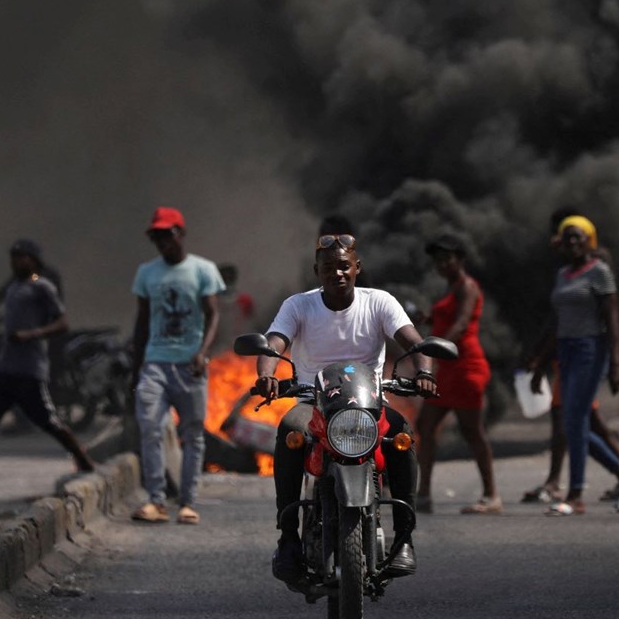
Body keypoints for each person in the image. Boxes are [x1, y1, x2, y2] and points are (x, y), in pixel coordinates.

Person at [255, 232, 435, 582]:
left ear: (357, 268)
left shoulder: (379, 302)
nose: (336, 274)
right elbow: (273, 345)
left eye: (343, 267)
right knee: (290, 431)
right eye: (327, 269)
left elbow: (412, 340)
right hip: (313, 403)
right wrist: (266, 375)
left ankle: (404, 539)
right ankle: (288, 537)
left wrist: (425, 371)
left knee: (401, 435)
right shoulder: (299, 305)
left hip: (368, 406)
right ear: (316, 271)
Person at [0, 239, 94, 503]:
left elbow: (62, 323)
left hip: (29, 370)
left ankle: (83, 459)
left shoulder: (43, 285)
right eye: (13, 257)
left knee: (50, 422)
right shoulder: (14, 285)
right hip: (4, 368)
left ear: (34, 260)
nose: (16, 262)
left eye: (22, 257)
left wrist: (32, 334)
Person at [528, 215, 619, 515]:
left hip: (590, 349)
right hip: (565, 349)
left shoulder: (600, 273)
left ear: (589, 240)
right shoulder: (564, 274)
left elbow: (612, 319)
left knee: (574, 421)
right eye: (568, 238)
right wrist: (540, 363)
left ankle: (576, 494)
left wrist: (615, 364)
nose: (573, 242)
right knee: (572, 423)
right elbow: (558, 322)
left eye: (578, 237)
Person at [129, 207, 224, 524]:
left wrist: (203, 351)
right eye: (156, 236)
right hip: (155, 362)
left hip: (190, 364)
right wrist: (135, 366)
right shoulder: (147, 273)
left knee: (193, 435)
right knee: (151, 427)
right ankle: (156, 501)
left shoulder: (203, 270)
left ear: (180, 234)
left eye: (166, 234)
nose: (161, 241)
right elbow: (141, 322)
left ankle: (188, 502)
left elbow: (213, 315)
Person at [415, 233, 500, 515]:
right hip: (447, 368)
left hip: (465, 367)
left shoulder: (467, 287)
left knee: (472, 431)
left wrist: (438, 346)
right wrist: (427, 320)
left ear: (460, 260)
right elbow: (446, 318)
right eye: (438, 260)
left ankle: (491, 496)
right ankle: (423, 495)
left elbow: (462, 322)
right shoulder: (451, 289)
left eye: (447, 258)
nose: (441, 264)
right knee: (425, 426)